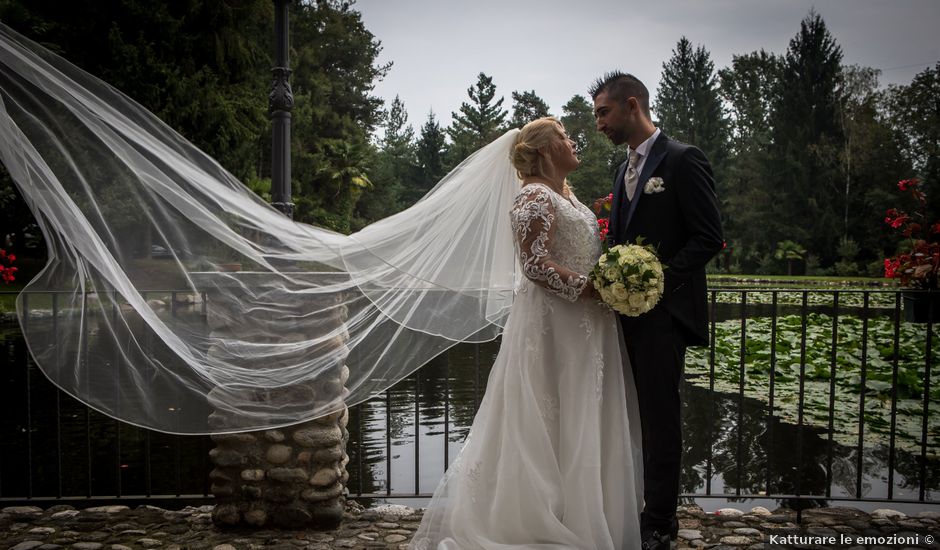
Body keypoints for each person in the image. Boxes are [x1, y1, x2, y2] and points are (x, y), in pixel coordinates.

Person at [409, 117, 643, 549]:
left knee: (581, 416)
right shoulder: (534, 196)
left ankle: (584, 515)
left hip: (585, 326)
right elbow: (534, 266)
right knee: (546, 419)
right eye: (564, 137)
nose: (573, 142)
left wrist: (610, 279)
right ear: (545, 149)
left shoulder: (565, 195)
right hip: (553, 326)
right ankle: (534, 520)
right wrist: (595, 287)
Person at [590, 72, 724, 550]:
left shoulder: (683, 159)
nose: (599, 123)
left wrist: (653, 279)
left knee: (661, 418)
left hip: (663, 315)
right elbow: (622, 238)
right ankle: (626, 503)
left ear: (632, 105)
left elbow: (709, 237)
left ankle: (659, 522)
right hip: (624, 316)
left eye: (604, 112)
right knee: (626, 413)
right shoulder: (620, 169)